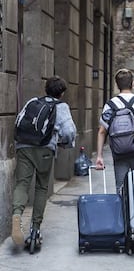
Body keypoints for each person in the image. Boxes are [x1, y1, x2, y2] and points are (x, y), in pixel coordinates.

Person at [12, 76, 77, 247]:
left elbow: (19, 120)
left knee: (21, 184)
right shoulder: (61, 107)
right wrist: (63, 143)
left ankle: (16, 216)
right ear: (61, 93)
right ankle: (35, 228)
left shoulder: (33, 101)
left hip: (24, 146)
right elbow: (69, 132)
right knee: (41, 187)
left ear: (45, 89)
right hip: (44, 149)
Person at [96, 68, 134, 193]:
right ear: (132, 83)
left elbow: (102, 131)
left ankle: (123, 211)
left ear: (117, 85)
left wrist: (100, 156)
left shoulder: (110, 104)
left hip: (119, 151)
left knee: (121, 187)